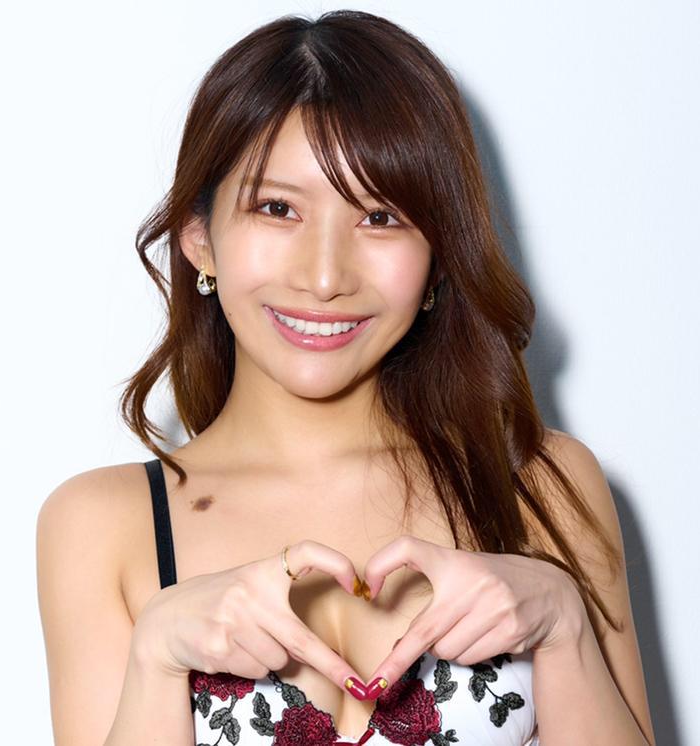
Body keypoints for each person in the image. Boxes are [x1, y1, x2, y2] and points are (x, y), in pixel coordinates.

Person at [36, 10, 655, 746]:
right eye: (277, 208)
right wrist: (156, 656)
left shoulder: (545, 486)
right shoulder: (103, 527)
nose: (326, 276)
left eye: (381, 217)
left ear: (439, 256)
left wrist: (565, 627)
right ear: (199, 239)